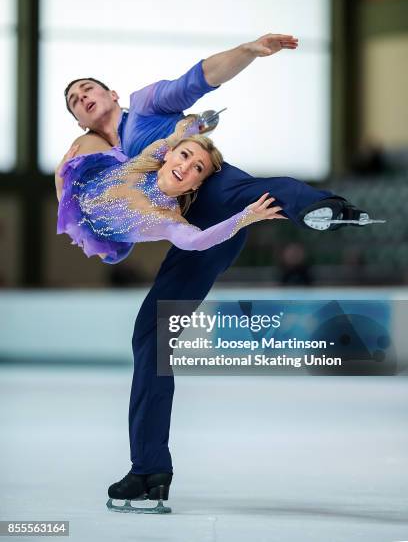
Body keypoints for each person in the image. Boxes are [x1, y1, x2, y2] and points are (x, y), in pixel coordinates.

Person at [60, 33, 369, 512]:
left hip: (219, 198)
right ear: (78, 119)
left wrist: (248, 51)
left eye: (87, 89)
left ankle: (321, 206)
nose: (83, 98)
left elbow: (199, 77)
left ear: (112, 94)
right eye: (75, 101)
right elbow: (80, 192)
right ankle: (148, 470)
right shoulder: (96, 155)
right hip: (190, 234)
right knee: (151, 337)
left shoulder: (145, 105)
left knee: (243, 187)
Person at [56, 117, 286, 261]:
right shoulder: (150, 156)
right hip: (85, 182)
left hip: (105, 240)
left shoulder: (167, 218)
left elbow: (197, 241)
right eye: (184, 155)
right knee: (82, 146)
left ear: (196, 184)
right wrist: (198, 124)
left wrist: (246, 217)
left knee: (106, 252)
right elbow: (181, 131)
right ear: (169, 154)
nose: (185, 166)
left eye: (198, 167)